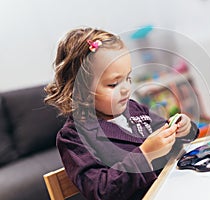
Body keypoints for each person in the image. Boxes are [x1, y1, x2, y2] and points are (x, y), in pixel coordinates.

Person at [44, 27, 199, 200]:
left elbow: (173, 140)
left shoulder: (133, 109)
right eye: (113, 84)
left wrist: (183, 128)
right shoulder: (73, 137)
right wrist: (145, 155)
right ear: (79, 89)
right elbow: (101, 191)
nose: (126, 89)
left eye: (128, 78)